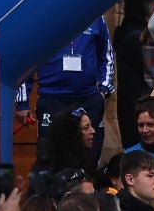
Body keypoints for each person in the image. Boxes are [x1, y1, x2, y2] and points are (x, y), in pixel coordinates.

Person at [17, 16, 115, 161]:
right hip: (52, 100)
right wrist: (22, 102)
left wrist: (103, 91)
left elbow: (107, 56)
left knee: (89, 159)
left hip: (88, 99)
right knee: (49, 160)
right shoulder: (41, 18)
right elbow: (27, 60)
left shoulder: (96, 15)